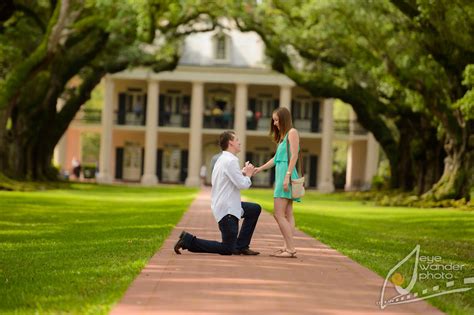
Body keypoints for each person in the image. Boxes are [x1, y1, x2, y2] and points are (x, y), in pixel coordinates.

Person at [174, 131, 261, 255]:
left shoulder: (223, 159)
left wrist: (243, 172)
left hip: (227, 205)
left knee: (254, 209)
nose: (239, 142)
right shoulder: (230, 161)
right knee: (227, 249)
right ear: (230, 143)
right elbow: (243, 185)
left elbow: (230, 177)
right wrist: (248, 175)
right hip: (228, 210)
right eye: (236, 140)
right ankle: (189, 241)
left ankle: (241, 246)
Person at [254, 107, 300, 258]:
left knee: (278, 214)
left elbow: (294, 156)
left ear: (284, 119)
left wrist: (287, 176)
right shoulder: (282, 137)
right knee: (287, 213)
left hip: (286, 175)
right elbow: (275, 159)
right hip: (282, 174)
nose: (274, 123)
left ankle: (291, 249)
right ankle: (287, 246)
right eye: (273, 120)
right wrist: (259, 169)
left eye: (276, 120)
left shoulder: (292, 133)